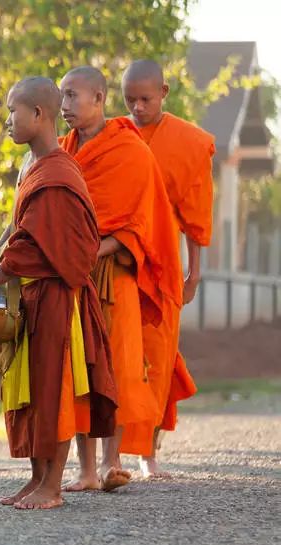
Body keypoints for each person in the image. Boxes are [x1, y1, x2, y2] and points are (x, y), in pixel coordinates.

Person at [0, 77, 116, 510]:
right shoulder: (31, 167)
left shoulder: (59, 171)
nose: (6, 121)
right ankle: (36, 478)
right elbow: (16, 228)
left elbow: (36, 245)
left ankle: (53, 487)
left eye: (12, 111)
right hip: (29, 296)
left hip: (56, 297)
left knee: (51, 389)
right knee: (26, 389)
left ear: (38, 115)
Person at [57, 66, 178, 492]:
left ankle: (113, 462)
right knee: (78, 368)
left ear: (99, 98)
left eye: (73, 96)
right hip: (73, 276)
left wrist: (96, 249)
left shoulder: (129, 149)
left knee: (119, 365)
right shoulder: (60, 152)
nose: (65, 105)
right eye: (61, 97)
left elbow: (142, 222)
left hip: (114, 273)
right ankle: (85, 470)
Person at [122, 59, 214, 477]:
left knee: (157, 358)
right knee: (118, 355)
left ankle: (149, 454)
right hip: (117, 265)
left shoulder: (188, 143)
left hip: (164, 267)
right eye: (130, 100)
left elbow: (194, 217)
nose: (138, 108)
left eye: (145, 98)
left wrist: (195, 273)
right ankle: (109, 454)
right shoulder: (112, 138)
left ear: (165, 92)